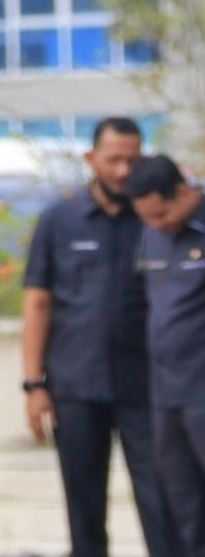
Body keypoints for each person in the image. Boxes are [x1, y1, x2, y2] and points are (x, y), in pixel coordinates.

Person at [22, 117, 179, 557]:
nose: (124, 170)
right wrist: (34, 383)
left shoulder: (154, 218)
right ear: (91, 159)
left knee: (160, 499)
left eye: (132, 158)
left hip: (146, 385)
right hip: (75, 385)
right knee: (84, 505)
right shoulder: (58, 220)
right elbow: (37, 302)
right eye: (113, 159)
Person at [128, 154, 205, 557]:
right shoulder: (151, 234)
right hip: (166, 394)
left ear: (184, 190)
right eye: (147, 218)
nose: (157, 224)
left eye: (162, 213)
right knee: (184, 503)